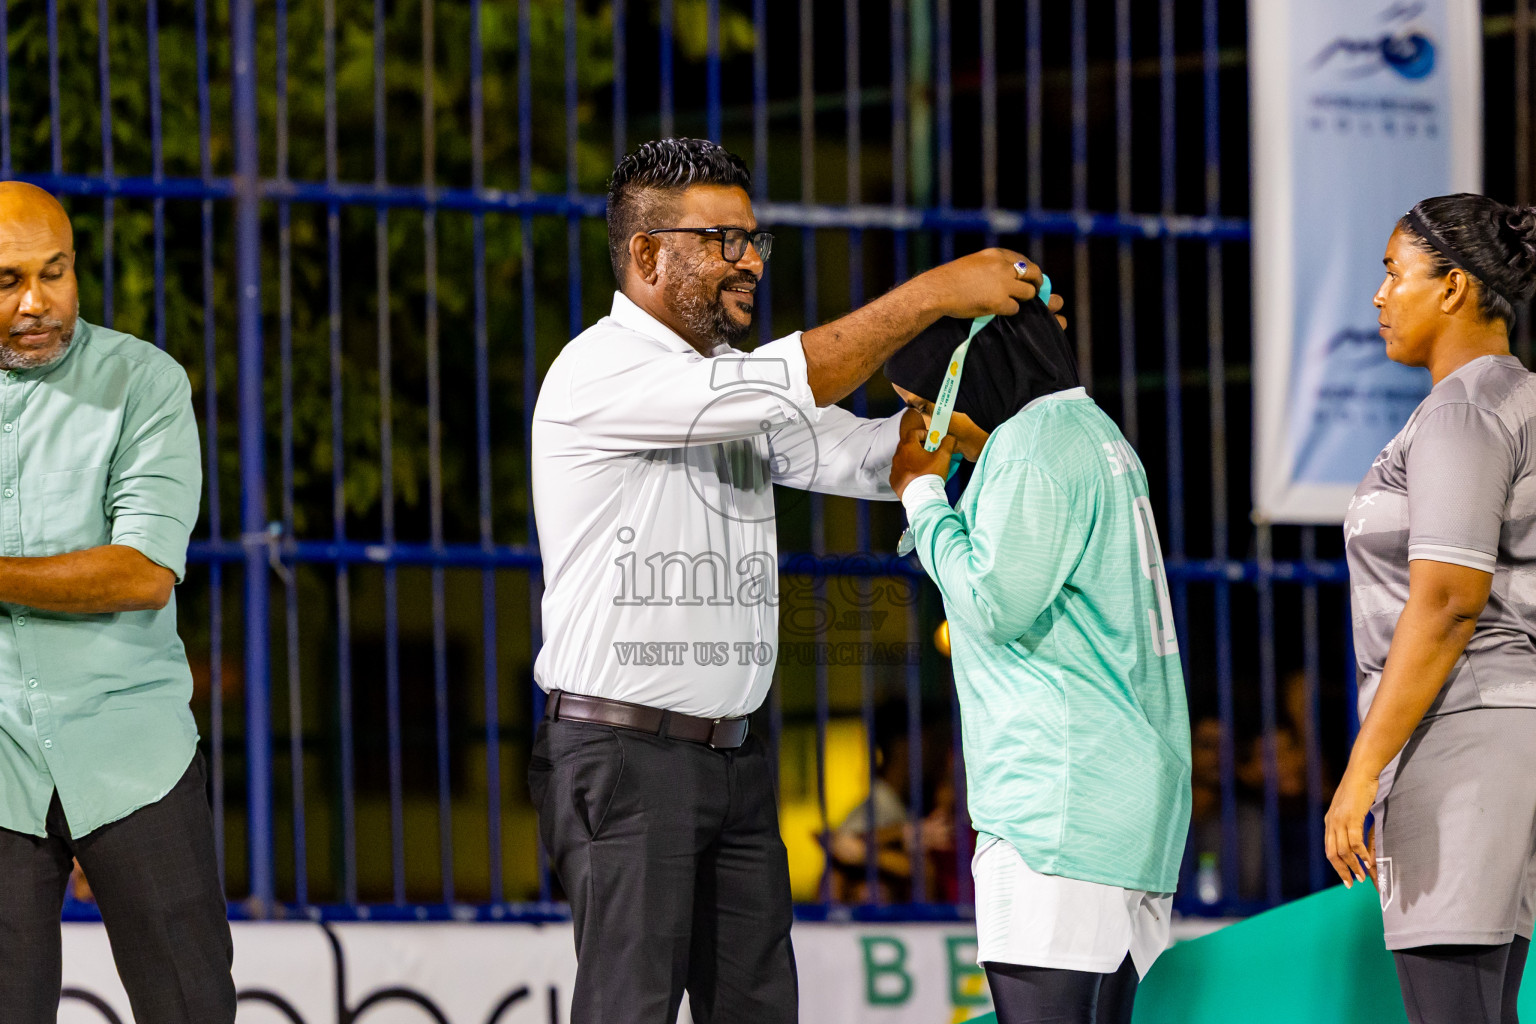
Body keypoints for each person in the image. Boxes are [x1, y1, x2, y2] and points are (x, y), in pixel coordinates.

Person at [527, 137, 1062, 1024]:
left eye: (752, 240)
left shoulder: (726, 385)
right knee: (629, 1011)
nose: (747, 260)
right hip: (625, 759)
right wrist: (933, 293)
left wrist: (1001, 370)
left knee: (760, 1009)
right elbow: (795, 384)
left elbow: (874, 453)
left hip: (732, 758)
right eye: (722, 239)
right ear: (647, 253)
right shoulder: (598, 373)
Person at [885, 297, 1192, 1024]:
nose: (934, 432)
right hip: (1123, 809)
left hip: (1057, 811)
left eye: (930, 404)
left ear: (975, 377)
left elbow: (995, 603)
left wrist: (921, 494)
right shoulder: (1093, 433)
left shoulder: (1031, 444)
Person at [0, 183, 233, 1021]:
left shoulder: (143, 383)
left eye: (54, 273)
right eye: (7, 281)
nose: (37, 302)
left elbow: (140, 571)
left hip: (132, 754)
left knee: (190, 1008)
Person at [1325, 193, 1536, 1024]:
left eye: (1392, 274)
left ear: (1452, 290)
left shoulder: (1462, 411)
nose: (1380, 298)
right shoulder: (1516, 398)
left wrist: (1360, 770)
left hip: (1466, 734)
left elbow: (1448, 602)